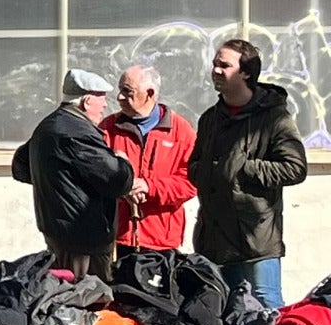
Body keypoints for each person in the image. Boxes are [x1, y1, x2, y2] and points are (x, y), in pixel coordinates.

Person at [189, 38, 308, 309]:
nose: (216, 70)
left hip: (256, 240)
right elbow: (194, 164)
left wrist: (244, 168)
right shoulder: (210, 118)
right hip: (214, 239)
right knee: (225, 310)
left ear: (245, 72)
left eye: (224, 65)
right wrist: (207, 173)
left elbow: (296, 168)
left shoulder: (274, 118)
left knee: (267, 307)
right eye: (214, 64)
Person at [12, 69, 134, 281]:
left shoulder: (49, 126)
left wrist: (59, 180)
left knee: (63, 294)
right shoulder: (77, 133)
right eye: (101, 99)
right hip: (83, 240)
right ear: (87, 101)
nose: (105, 106)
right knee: (88, 298)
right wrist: (123, 160)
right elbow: (117, 181)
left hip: (58, 233)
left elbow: (21, 166)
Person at [100, 65, 197, 253]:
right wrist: (122, 187)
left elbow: (191, 182)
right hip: (116, 238)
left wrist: (149, 187)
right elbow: (95, 172)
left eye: (127, 92)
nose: (119, 97)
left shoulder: (180, 131)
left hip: (161, 241)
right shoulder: (108, 128)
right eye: (120, 90)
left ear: (149, 93)